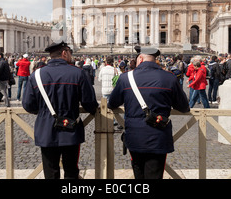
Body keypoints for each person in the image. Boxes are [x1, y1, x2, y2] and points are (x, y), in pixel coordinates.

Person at [108, 46, 190, 179]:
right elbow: (184, 107)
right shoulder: (169, 78)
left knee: (138, 175)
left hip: (134, 136)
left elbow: (112, 104)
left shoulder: (125, 78)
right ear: (155, 59)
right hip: (158, 136)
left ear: (140, 58)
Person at [22, 41, 98, 179]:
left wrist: (44, 112)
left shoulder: (36, 75)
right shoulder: (78, 73)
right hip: (71, 128)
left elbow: (28, 105)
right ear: (64, 53)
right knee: (71, 171)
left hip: (46, 130)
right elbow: (89, 103)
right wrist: (94, 111)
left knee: (50, 171)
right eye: (70, 52)